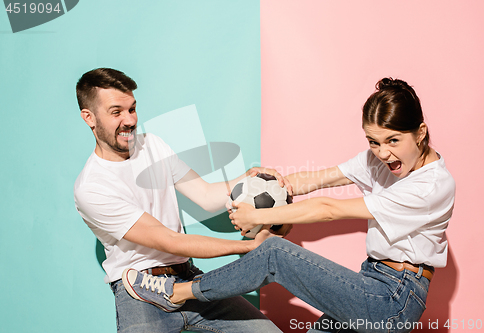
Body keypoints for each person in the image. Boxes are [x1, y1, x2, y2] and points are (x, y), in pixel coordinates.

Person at [123, 77, 456, 333]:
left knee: (274, 252)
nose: (383, 154)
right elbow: (320, 179)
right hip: (369, 282)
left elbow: (330, 209)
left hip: (393, 300)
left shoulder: (431, 185)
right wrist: (269, 180)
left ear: (421, 133)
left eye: (393, 141)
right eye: (374, 142)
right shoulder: (379, 160)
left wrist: (260, 214)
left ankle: (178, 292)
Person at [73, 67, 290, 333]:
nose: (129, 120)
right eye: (116, 112)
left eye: (132, 109)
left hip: (187, 279)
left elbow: (207, 196)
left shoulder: (152, 144)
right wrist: (250, 247)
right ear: (89, 118)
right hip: (139, 293)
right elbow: (170, 240)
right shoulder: (92, 187)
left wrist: (246, 179)